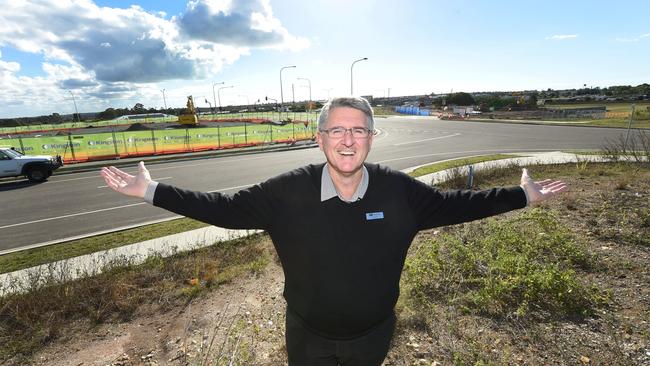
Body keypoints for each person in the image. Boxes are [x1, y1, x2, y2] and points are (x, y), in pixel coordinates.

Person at [101, 96, 567, 365]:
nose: (348, 140)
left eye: (359, 130)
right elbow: (224, 208)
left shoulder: (400, 192)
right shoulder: (286, 192)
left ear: (371, 137)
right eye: (337, 131)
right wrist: (152, 191)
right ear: (319, 137)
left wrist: (521, 195)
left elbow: (458, 204)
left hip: (373, 335)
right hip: (307, 337)